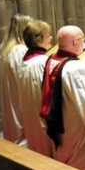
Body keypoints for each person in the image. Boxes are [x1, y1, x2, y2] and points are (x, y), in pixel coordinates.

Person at [40, 25, 85, 170]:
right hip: (75, 126)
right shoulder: (76, 68)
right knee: (78, 167)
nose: (84, 43)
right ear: (76, 43)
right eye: (82, 40)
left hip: (59, 124)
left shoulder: (52, 59)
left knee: (64, 158)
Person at [16, 19, 55, 157]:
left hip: (31, 117)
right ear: (39, 38)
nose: (51, 38)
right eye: (48, 35)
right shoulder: (41, 62)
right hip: (42, 119)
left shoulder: (27, 61)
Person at [0, 13, 31, 144]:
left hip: (11, 93)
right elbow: (23, 77)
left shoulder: (5, 48)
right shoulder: (20, 50)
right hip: (19, 95)